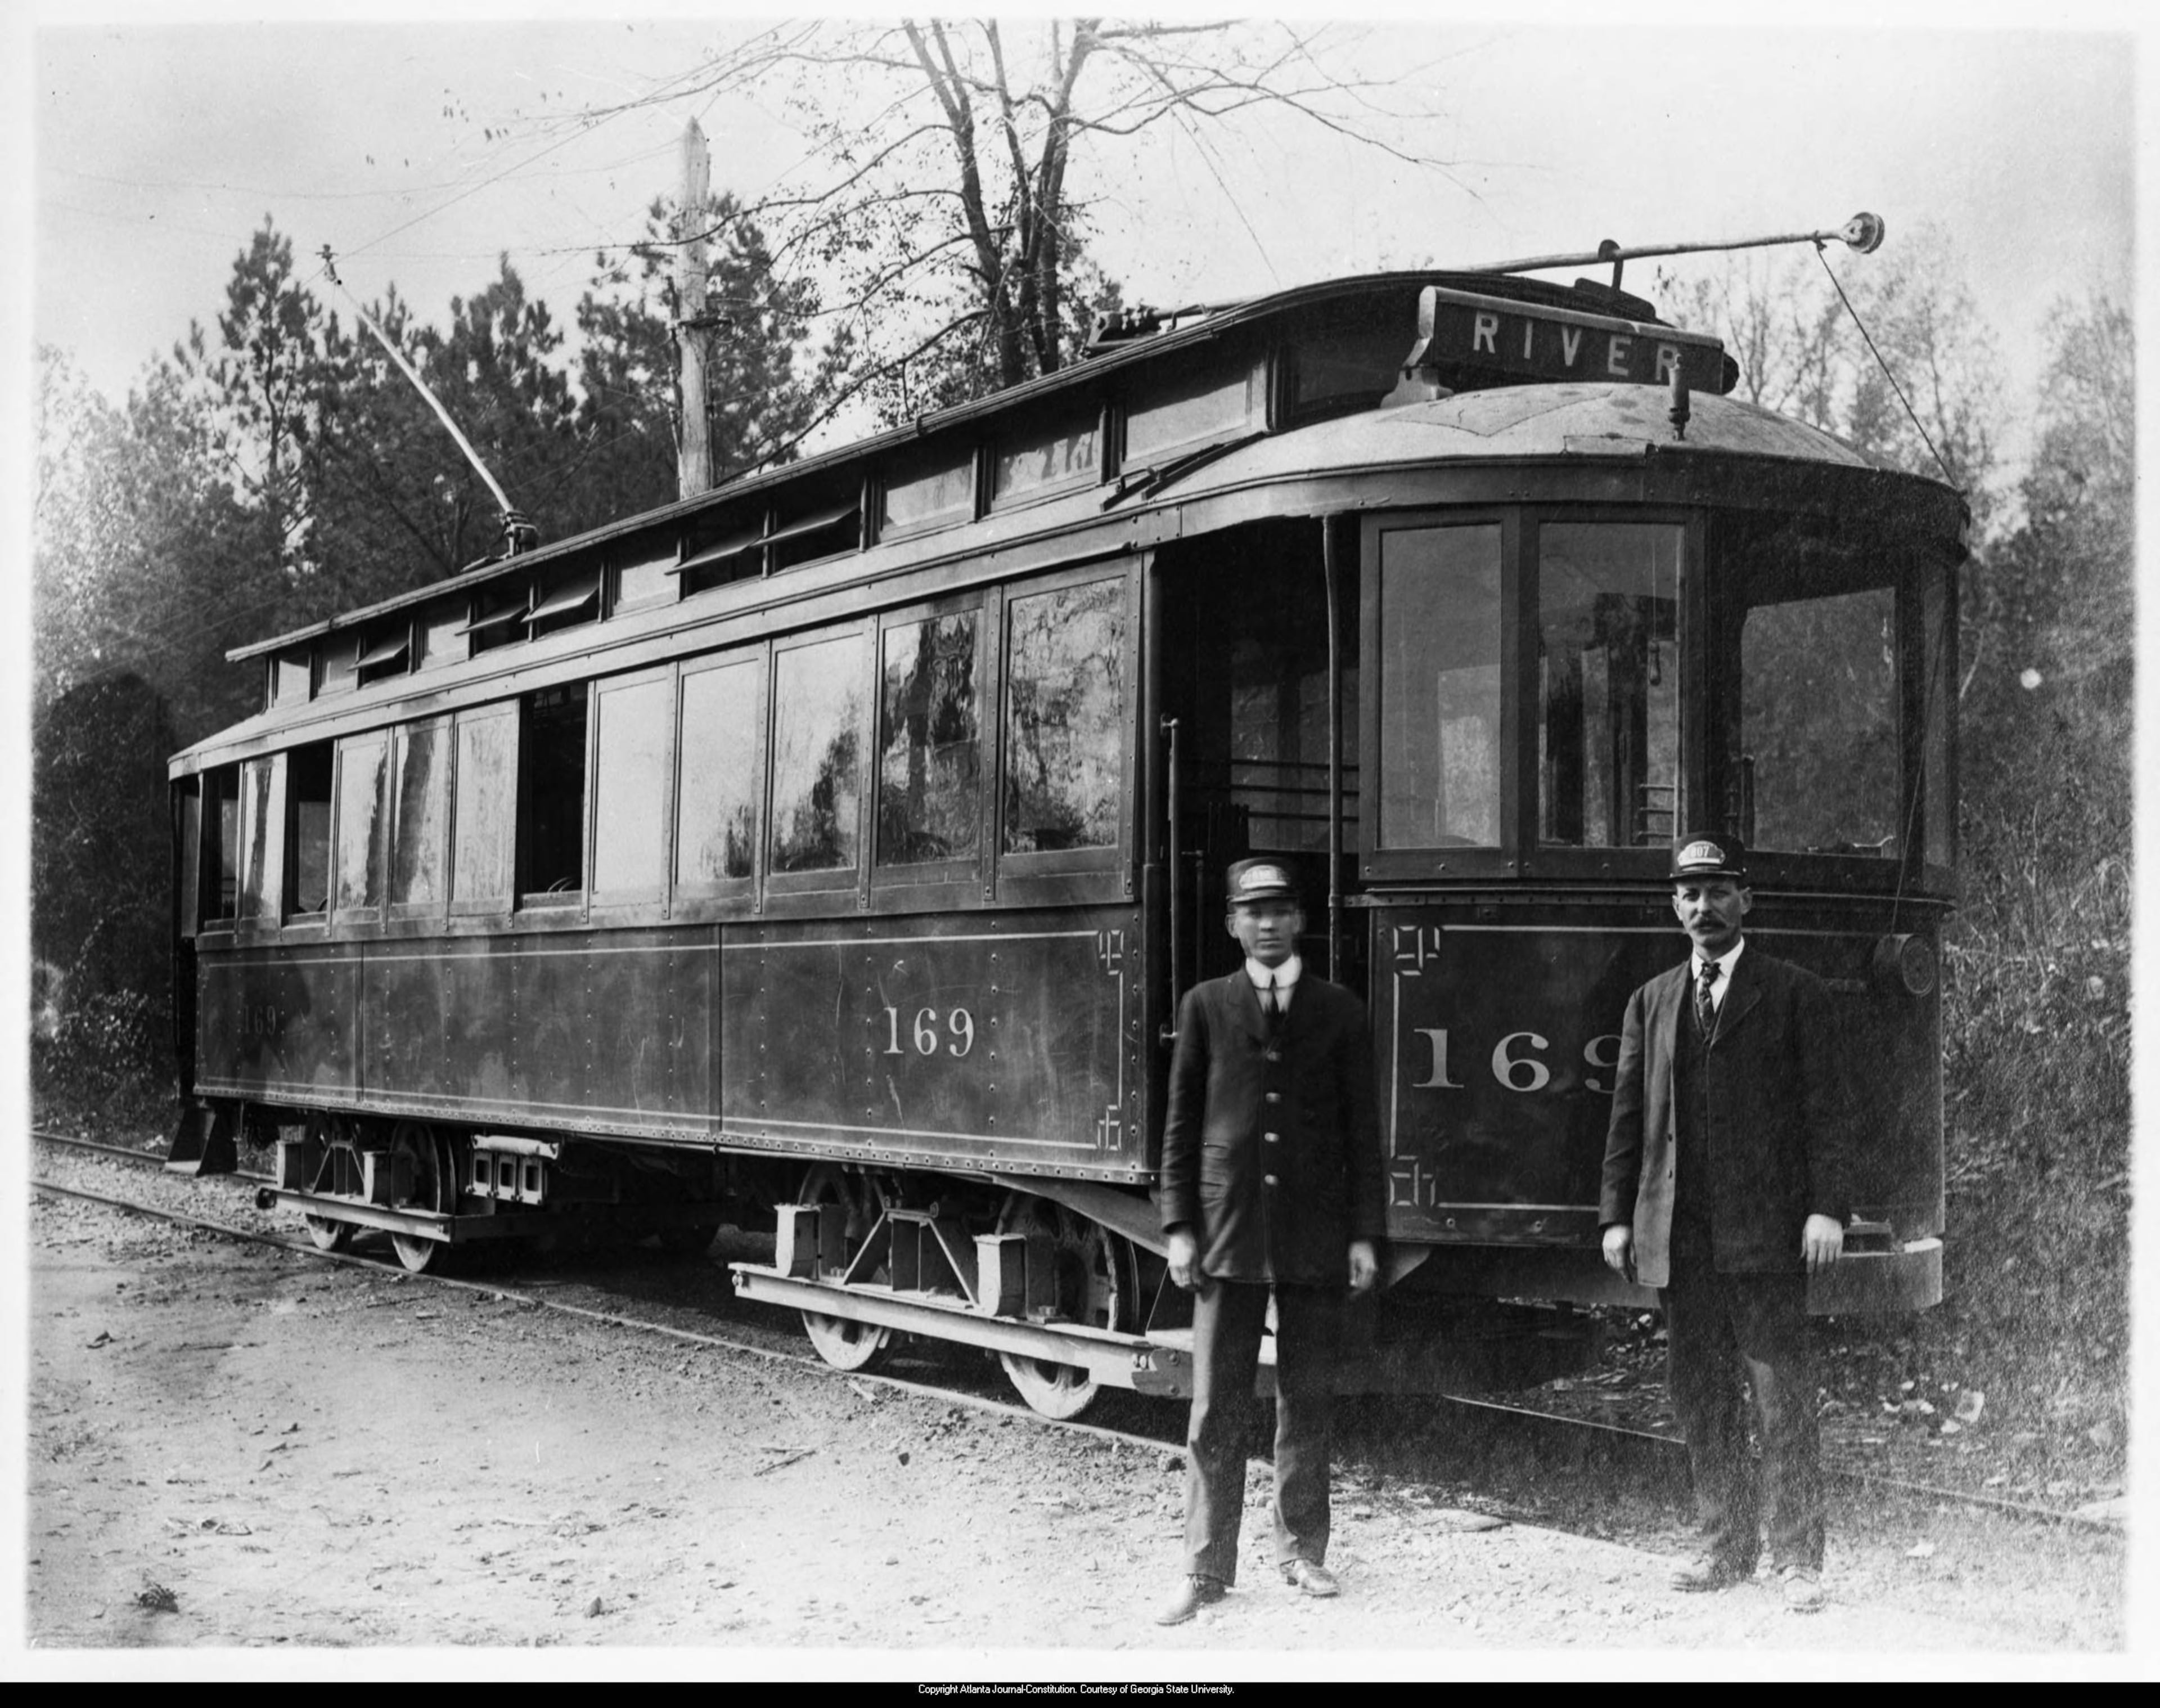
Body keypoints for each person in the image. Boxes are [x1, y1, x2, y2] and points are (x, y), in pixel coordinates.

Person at [1599, 832, 1853, 1614]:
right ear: (1674, 905)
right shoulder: (1653, 1000)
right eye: (1688, 894)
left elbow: (1831, 1115)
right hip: (1681, 1235)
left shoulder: (1793, 992)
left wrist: (1826, 1210)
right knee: (1700, 1397)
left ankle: (1799, 1560)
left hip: (1769, 1232)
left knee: (1782, 1399)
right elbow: (1630, 1119)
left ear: (1747, 901)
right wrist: (1617, 1217)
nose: (1702, 907)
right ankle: (1725, 1547)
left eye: (1717, 892)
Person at [1154, 858, 1385, 1625]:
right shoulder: (1205, 1007)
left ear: (1300, 920)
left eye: (1281, 910)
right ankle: (1204, 1566)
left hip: (1316, 1230)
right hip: (1226, 1230)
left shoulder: (1341, 1011)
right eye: (1254, 912)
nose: (1269, 923)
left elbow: (1363, 1135)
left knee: (1306, 1396)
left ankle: (1303, 1552)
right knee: (1216, 1405)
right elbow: (1180, 1128)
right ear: (1233, 925)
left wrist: (1362, 1235)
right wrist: (1179, 1226)